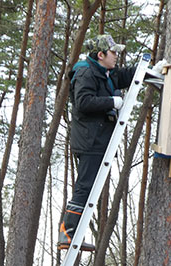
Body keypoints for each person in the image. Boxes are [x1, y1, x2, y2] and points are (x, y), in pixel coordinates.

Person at [56, 33, 137, 252]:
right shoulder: (86, 72)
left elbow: (125, 75)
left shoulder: (104, 73)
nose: (116, 57)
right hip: (90, 140)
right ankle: (67, 232)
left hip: (98, 139)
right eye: (113, 53)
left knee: (89, 188)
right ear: (100, 55)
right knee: (84, 188)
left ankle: (73, 233)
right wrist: (111, 101)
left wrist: (151, 70)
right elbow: (83, 102)